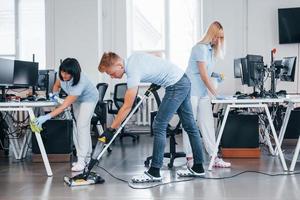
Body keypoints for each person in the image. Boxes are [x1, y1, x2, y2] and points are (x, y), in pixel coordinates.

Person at [98, 52, 205, 183]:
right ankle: (198, 167)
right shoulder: (134, 57)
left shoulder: (132, 72)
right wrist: (158, 79)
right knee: (190, 126)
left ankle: (154, 171)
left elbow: (127, 106)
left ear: (119, 65)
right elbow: (157, 59)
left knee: (159, 125)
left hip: (176, 85)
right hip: (183, 80)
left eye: (111, 73)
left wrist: (111, 129)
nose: (112, 77)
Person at [35, 58, 99, 172]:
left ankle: (81, 160)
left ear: (74, 73)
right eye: (63, 71)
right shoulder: (61, 76)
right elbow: (56, 85)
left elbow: (64, 106)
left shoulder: (80, 82)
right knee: (80, 127)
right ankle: (87, 158)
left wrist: (47, 116)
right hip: (78, 100)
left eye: (68, 73)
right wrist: (54, 95)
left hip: (89, 99)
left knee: (82, 125)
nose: (64, 75)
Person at [183, 21, 231, 168]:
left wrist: (216, 75)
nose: (218, 40)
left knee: (208, 124)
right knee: (190, 125)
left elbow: (207, 72)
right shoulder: (200, 48)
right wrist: (216, 94)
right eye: (216, 37)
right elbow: (203, 75)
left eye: (221, 38)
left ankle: (213, 156)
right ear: (211, 34)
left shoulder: (211, 51)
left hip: (202, 91)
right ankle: (190, 158)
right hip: (190, 91)